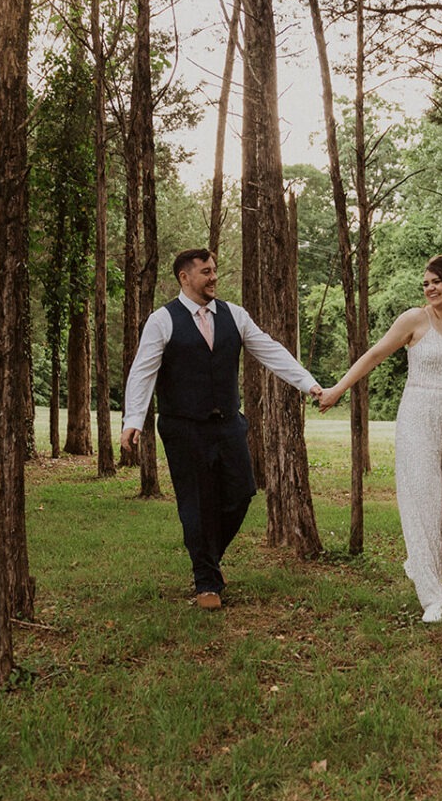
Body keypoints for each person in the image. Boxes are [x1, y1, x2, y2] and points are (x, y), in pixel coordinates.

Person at [122, 249, 323, 609]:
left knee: (241, 492)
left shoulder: (235, 315)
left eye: (214, 270)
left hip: (229, 423)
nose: (213, 277)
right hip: (184, 427)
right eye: (205, 272)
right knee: (195, 504)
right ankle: (206, 584)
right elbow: (143, 371)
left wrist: (307, 383)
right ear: (185, 278)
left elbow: (270, 350)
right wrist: (133, 420)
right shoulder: (163, 320)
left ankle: (208, 560)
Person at [317, 255, 442, 623]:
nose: (429, 288)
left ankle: (424, 571)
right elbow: (375, 354)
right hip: (418, 424)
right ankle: (431, 597)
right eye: (425, 283)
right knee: (422, 511)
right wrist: (338, 389)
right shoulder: (414, 320)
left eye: (436, 282)